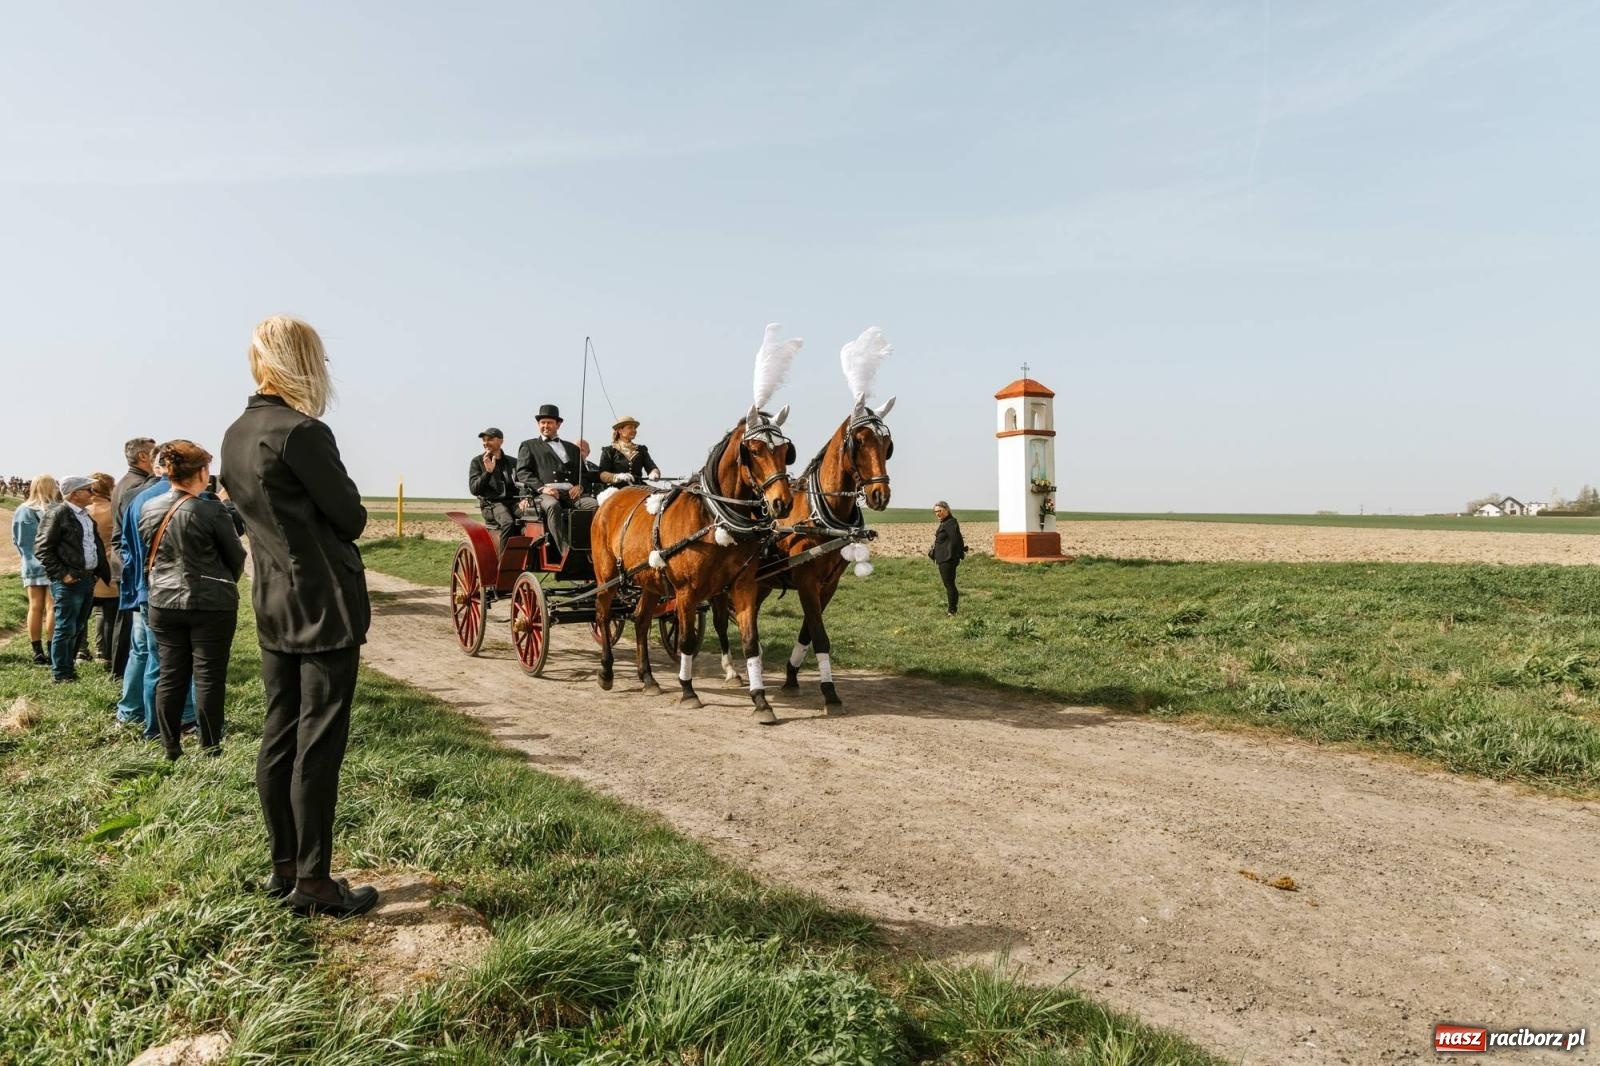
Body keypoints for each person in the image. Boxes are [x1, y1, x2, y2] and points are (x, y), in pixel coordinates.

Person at [220, 314, 379, 918]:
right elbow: (351, 517)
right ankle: (314, 882)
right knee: (320, 740)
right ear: (302, 363)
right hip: (325, 605)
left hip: (273, 601)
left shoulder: (236, 432)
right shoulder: (303, 432)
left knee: (279, 732)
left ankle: (283, 865)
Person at [141, 440, 246, 760]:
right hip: (210, 603)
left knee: (171, 675)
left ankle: (170, 746)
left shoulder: (149, 507)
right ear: (201, 472)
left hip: (162, 600)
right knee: (209, 676)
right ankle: (210, 745)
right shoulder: (210, 508)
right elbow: (236, 555)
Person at [115, 455, 198, 736]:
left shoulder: (137, 497)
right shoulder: (190, 499)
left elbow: (124, 543)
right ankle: (179, 719)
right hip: (172, 591)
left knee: (143, 653)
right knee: (170, 659)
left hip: (142, 587)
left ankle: (131, 711)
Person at [34, 476, 110, 682]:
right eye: (88, 490)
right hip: (69, 581)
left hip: (86, 579)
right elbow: (42, 549)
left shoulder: (85, 515)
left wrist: (95, 573)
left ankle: (68, 669)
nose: (93, 494)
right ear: (75, 494)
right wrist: (62, 574)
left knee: (77, 626)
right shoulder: (58, 514)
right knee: (66, 627)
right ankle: (61, 673)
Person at [514, 403, 596, 554]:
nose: (545, 426)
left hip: (571, 493)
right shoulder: (529, 446)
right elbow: (523, 472)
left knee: (594, 505)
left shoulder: (572, 449)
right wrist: (543, 488)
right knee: (552, 506)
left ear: (558, 424)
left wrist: (580, 486)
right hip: (544, 494)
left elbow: (584, 474)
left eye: (549, 423)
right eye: (542, 422)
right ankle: (565, 551)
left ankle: (591, 548)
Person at [110, 438, 158, 679]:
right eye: (154, 452)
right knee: (132, 626)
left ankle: (119, 670)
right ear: (143, 456)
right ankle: (120, 671)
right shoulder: (139, 486)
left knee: (127, 622)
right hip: (132, 561)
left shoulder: (125, 482)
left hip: (124, 559)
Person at [11, 474, 60, 665]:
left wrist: (26, 557)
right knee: (52, 607)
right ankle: (51, 648)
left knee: (34, 606)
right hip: (52, 563)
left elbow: (17, 539)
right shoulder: (55, 509)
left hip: (30, 563)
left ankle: (37, 650)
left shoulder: (22, 510)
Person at [82, 472, 120, 670]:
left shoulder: (82, 511)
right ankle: (103, 653)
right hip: (108, 566)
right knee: (106, 612)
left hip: (85, 568)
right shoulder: (114, 510)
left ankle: (80, 650)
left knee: (82, 612)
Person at [467, 427, 519, 543]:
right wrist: (488, 472)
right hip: (491, 504)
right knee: (508, 522)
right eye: (484, 440)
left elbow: (522, 483)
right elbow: (474, 489)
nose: (485, 443)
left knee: (536, 516)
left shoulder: (513, 462)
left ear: (501, 441)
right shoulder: (477, 462)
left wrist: (525, 499)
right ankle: (504, 560)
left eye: (490, 439)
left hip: (514, 502)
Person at [595, 415, 662, 487]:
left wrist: (654, 473)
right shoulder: (609, 451)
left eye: (634, 428)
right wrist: (617, 477)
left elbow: (652, 467)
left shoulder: (641, 450)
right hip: (617, 488)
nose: (634, 430)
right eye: (630, 427)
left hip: (638, 486)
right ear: (620, 430)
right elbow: (602, 474)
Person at [928, 501, 966, 617]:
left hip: (947, 558)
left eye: (939, 511)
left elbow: (956, 540)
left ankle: (952, 611)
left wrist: (958, 554)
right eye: (935, 512)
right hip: (944, 558)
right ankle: (952, 610)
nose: (937, 514)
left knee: (949, 585)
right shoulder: (946, 522)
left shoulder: (950, 522)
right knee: (949, 584)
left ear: (947, 510)